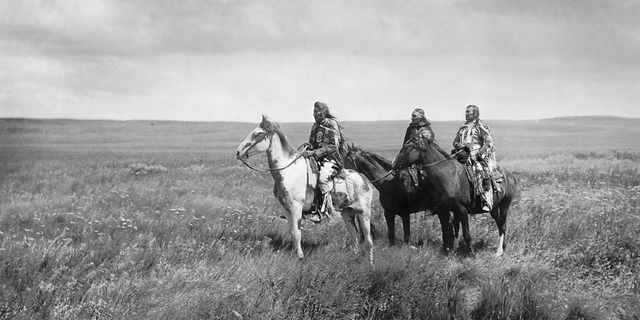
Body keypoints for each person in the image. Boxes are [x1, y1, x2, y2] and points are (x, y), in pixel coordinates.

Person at [303, 101, 344, 222]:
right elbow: (312, 143)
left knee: (322, 178)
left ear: (324, 112)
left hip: (331, 158)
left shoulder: (332, 124)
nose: (314, 115)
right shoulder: (315, 126)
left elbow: (333, 146)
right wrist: (307, 150)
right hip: (316, 158)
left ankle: (324, 210)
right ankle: (306, 208)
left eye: (316, 113)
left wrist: (315, 152)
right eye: (313, 113)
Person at [452, 105, 499, 212]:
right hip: (462, 154)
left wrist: (478, 155)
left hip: (476, 155)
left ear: (475, 114)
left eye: (468, 112)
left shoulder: (480, 126)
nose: (466, 114)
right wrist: (460, 145)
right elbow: (455, 142)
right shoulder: (463, 127)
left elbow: (488, 142)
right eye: (466, 112)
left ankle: (486, 200)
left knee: (480, 170)